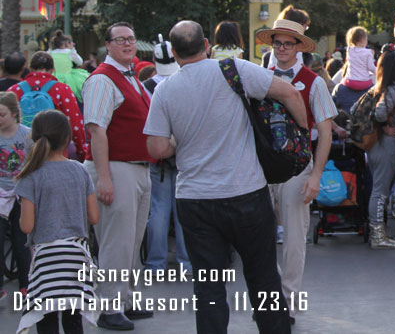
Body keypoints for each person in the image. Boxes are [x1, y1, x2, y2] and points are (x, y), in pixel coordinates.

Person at [144, 20, 305, 334]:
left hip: (195, 199)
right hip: (247, 192)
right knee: (264, 282)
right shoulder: (235, 70)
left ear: (174, 54)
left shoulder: (164, 90)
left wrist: (179, 140)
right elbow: (290, 94)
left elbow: (157, 147)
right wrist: (301, 137)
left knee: (209, 288)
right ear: (206, 44)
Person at [254, 17, 337, 320]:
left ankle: (286, 299)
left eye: (288, 43)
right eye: (278, 43)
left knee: (293, 237)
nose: (282, 48)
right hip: (260, 169)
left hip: (296, 167)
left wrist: (316, 175)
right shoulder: (259, 78)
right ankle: (269, 295)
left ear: (299, 46)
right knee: (258, 236)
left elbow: (326, 132)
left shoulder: (313, 81)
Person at [81, 22, 153, 330]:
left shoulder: (132, 77)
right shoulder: (102, 80)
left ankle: (124, 298)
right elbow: (96, 129)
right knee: (116, 241)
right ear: (107, 45)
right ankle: (109, 306)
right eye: (120, 39)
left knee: (132, 241)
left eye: (131, 39)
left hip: (137, 167)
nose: (127, 43)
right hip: (117, 168)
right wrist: (104, 176)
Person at [14, 110, 99, 334]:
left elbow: (27, 226)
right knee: (73, 319)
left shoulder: (30, 175)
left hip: (46, 258)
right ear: (67, 139)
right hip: (76, 256)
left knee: (47, 317)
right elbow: (94, 217)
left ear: (34, 138)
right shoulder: (80, 170)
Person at [141, 37, 190, 278]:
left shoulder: (146, 87)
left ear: (153, 61)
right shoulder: (184, 83)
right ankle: (186, 262)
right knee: (182, 209)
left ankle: (155, 263)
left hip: (157, 157)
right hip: (182, 154)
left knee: (158, 210)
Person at [364, 48, 395, 250]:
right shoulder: (392, 89)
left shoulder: (378, 88)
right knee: (380, 192)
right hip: (386, 144)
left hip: (375, 145)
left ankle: (378, 232)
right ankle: (378, 235)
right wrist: (386, 126)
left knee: (378, 189)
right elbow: (381, 112)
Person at [10, 51, 88, 161]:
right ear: (52, 70)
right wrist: (81, 152)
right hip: (55, 153)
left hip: (21, 153)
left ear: (31, 69)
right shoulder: (62, 89)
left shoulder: (14, 90)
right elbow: (75, 125)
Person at [0, 92, 32, 302]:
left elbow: (35, 163)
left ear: (13, 113)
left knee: (22, 242)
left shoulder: (27, 135)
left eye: (2, 115)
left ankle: (26, 284)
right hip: (1, 194)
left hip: (21, 193)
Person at [339, 26, 375, 91]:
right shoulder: (368, 52)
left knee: (342, 82)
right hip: (364, 82)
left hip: (350, 81)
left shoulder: (349, 50)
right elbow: (371, 68)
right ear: (362, 39)